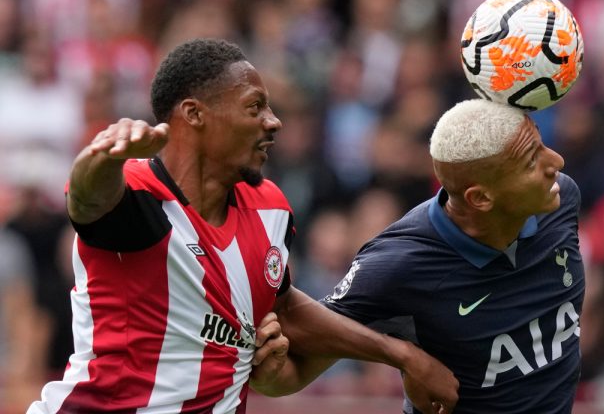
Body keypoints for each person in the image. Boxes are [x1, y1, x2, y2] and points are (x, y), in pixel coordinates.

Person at [27, 38, 458, 413]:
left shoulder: (269, 207)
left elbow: (284, 307)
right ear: (194, 114)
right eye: (255, 106)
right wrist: (102, 155)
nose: (273, 121)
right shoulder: (138, 194)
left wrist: (399, 353)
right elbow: (87, 198)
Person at [313, 99, 585, 413]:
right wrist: (402, 355)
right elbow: (286, 369)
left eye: (542, 144)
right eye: (530, 161)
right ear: (481, 197)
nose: (557, 162)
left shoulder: (560, 201)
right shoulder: (399, 263)